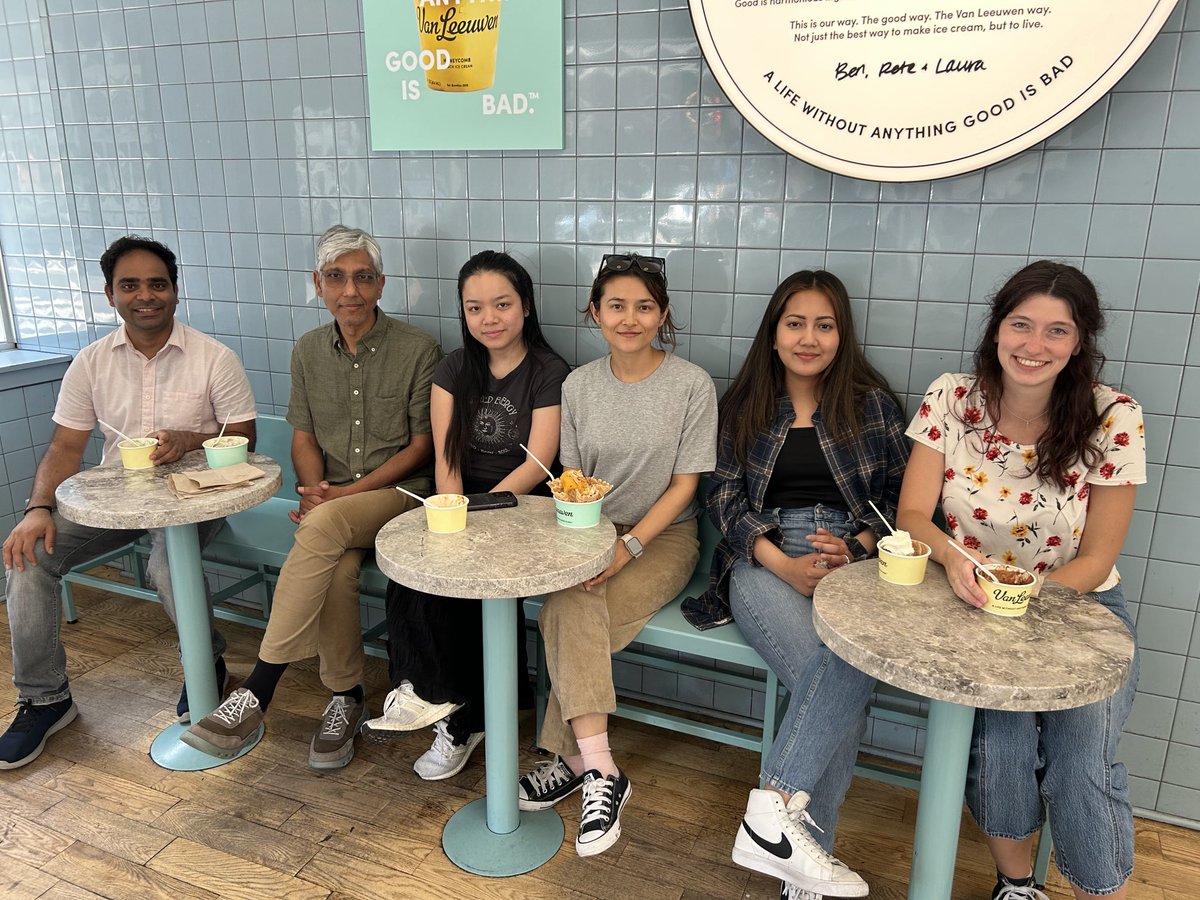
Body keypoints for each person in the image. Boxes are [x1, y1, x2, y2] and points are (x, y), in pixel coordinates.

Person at [896, 261, 1146, 900]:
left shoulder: (1114, 415)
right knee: (1000, 752)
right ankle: (1016, 885)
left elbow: (1097, 559)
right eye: (1021, 325)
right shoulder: (952, 398)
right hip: (973, 602)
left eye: (1057, 331)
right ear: (997, 329)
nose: (1035, 345)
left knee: (1081, 762)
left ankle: (1100, 890)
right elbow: (913, 516)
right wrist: (953, 559)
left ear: (1080, 342)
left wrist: (1026, 595)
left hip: (1081, 608)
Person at [684, 270, 908, 899]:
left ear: (842, 333)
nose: (809, 338)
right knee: (838, 676)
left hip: (855, 566)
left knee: (838, 671)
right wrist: (782, 564)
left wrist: (856, 545)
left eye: (824, 325)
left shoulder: (872, 404)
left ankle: (777, 828)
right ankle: (803, 855)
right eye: (796, 323)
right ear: (775, 332)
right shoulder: (744, 405)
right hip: (761, 562)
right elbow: (722, 499)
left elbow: (903, 499)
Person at [183, 225, 442, 770]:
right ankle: (347, 696)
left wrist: (339, 498)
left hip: (401, 497)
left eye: (363, 278)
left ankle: (258, 688)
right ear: (318, 284)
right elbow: (303, 436)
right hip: (334, 509)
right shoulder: (307, 351)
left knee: (323, 528)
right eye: (336, 277)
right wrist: (314, 490)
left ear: (381, 285)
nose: (350, 290)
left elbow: (422, 448)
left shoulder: (419, 349)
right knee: (337, 569)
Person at [0, 235, 257, 769]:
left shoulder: (214, 357)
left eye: (157, 284)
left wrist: (189, 440)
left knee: (166, 566)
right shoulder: (91, 362)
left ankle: (205, 665)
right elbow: (65, 447)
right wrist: (36, 509)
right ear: (110, 294)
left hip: (196, 500)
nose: (145, 296)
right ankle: (45, 700)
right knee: (29, 556)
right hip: (116, 502)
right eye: (130, 285)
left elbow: (243, 438)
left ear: (175, 291)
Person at [514, 252, 717, 858]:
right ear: (595, 312)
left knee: (566, 614)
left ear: (664, 314)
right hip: (591, 530)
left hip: (665, 537)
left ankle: (574, 760)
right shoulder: (578, 385)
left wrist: (628, 547)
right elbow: (574, 479)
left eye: (644, 307)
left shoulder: (692, 385)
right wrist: (593, 539)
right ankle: (600, 768)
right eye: (616, 306)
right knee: (572, 608)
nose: (630, 319)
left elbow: (685, 487)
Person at [359, 250, 569, 780]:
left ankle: (460, 715)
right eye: (475, 308)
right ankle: (422, 693)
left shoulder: (548, 371)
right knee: (416, 568)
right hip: (459, 500)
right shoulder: (454, 367)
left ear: (526, 306)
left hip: (523, 507)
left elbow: (539, 461)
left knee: (473, 583)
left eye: (502, 304)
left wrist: (479, 513)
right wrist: (454, 512)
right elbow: (447, 457)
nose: (489, 318)